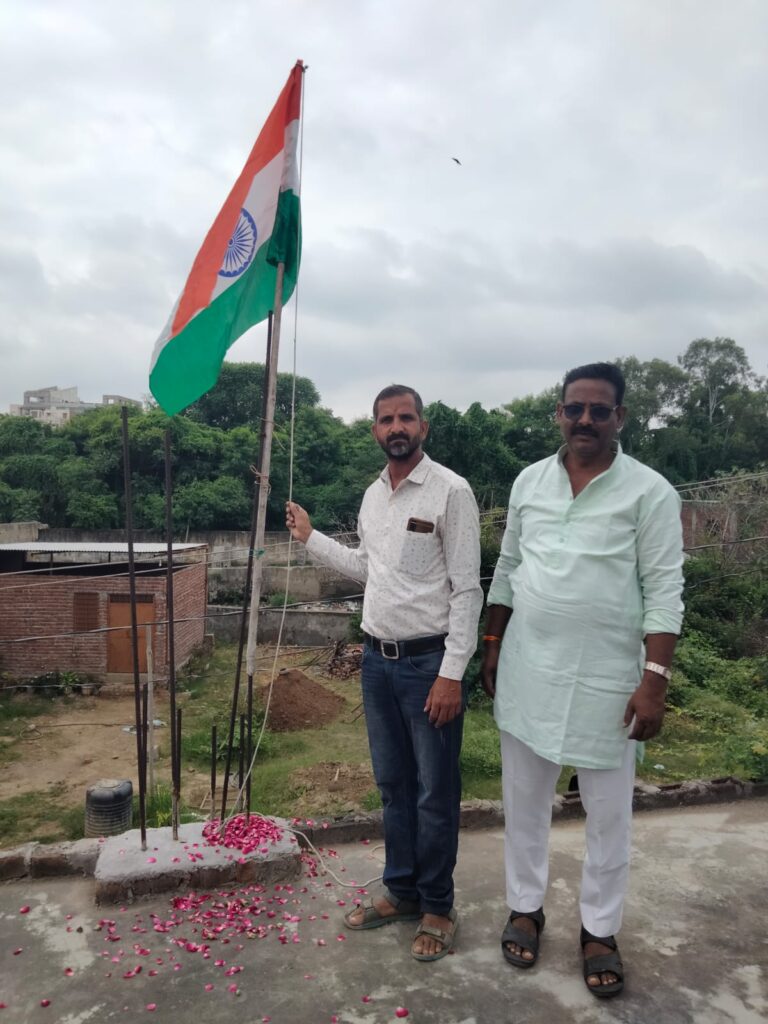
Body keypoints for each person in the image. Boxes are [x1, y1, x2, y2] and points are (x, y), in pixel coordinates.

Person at [482, 362, 684, 998]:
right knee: (524, 801)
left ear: (619, 418)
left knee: (608, 815)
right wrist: (492, 644)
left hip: (607, 682)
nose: (586, 420)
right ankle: (525, 907)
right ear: (559, 415)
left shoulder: (650, 492)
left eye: (600, 410)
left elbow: (664, 591)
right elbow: (508, 567)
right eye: (575, 408)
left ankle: (600, 929)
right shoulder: (530, 481)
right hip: (528, 671)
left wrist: (654, 681)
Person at [286, 384, 482, 962]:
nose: (396, 427)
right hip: (376, 663)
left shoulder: (451, 491)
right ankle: (400, 891)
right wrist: (311, 538)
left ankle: (437, 907)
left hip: (428, 665)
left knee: (434, 793)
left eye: (406, 418)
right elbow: (368, 569)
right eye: (386, 419)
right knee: (393, 787)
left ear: (423, 426)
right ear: (374, 429)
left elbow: (467, 590)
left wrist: (452, 673)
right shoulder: (374, 496)